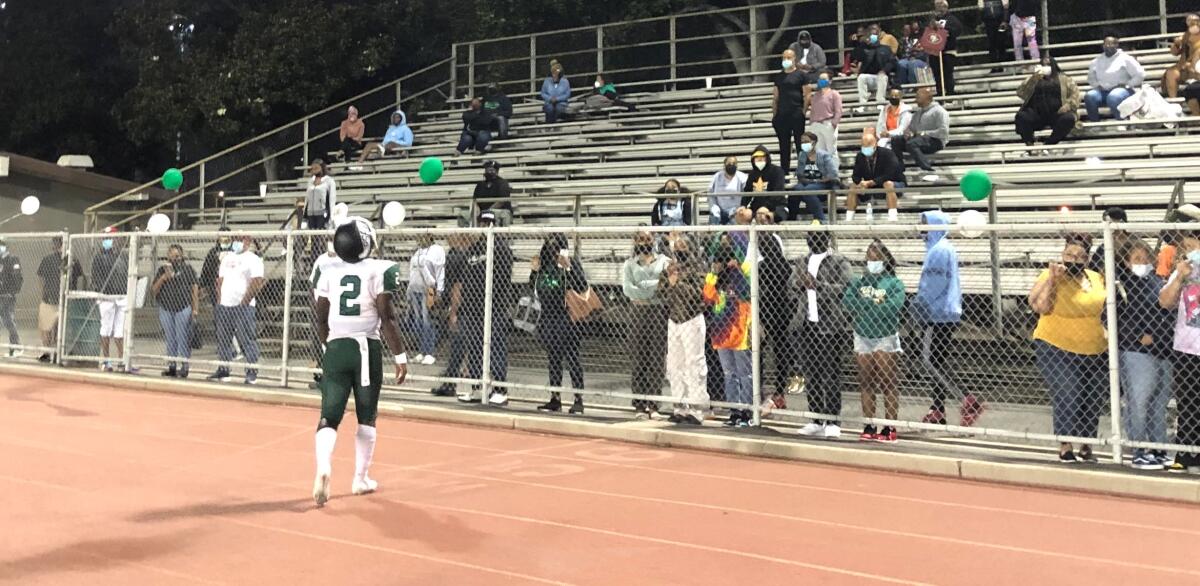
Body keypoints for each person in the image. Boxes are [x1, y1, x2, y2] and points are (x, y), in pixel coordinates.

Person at [311, 217, 408, 507]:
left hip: (336, 345)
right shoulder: (380, 269)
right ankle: (360, 478)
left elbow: (321, 314)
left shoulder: (327, 269)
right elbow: (386, 315)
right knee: (367, 416)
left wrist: (327, 343)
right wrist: (400, 355)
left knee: (329, 416)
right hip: (366, 347)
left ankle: (323, 467)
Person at [1028, 234, 1106, 463]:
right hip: (1057, 346)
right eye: (1070, 255)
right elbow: (1041, 306)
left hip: (1095, 347)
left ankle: (1087, 443)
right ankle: (1066, 444)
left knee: (1092, 397)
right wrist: (1053, 280)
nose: (1074, 260)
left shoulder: (1096, 277)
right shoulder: (1051, 275)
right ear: (1063, 255)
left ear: (1087, 259)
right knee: (1068, 393)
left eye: (1080, 256)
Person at [913, 211, 982, 427]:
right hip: (943, 310)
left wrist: (919, 307)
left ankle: (966, 399)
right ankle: (937, 408)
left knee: (930, 360)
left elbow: (933, 285)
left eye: (925, 225)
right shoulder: (940, 248)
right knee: (938, 360)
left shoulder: (939, 250)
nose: (921, 229)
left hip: (938, 313)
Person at [1116, 240, 1173, 469]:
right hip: (1136, 351)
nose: (1143, 263)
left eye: (1146, 259)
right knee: (1138, 401)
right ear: (1126, 261)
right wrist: (1138, 336)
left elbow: (1167, 310)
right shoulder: (1122, 284)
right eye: (1137, 259)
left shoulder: (1157, 281)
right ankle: (1139, 449)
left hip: (1162, 349)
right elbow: (1113, 316)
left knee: (1159, 402)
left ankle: (1159, 448)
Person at [843, 239, 906, 443]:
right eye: (869, 257)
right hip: (862, 336)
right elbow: (847, 302)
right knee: (866, 381)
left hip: (885, 337)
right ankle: (869, 424)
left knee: (888, 381)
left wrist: (866, 308)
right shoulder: (859, 282)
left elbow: (893, 307)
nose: (872, 260)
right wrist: (871, 307)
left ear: (885, 259)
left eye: (876, 257)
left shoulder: (894, 283)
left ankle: (890, 427)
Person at [453, 211, 515, 405]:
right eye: (482, 222)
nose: (485, 226)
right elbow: (464, 278)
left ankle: (499, 389)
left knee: (496, 347)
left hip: (493, 308)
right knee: (475, 349)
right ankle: (478, 387)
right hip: (472, 308)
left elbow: (503, 279)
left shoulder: (501, 248)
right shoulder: (473, 248)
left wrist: (491, 300)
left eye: (488, 223)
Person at [794, 228, 850, 438]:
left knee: (831, 374)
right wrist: (799, 283)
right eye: (810, 235)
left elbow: (846, 287)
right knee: (812, 374)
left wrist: (818, 285)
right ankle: (817, 418)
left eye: (817, 235)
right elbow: (790, 286)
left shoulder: (838, 261)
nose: (813, 239)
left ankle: (833, 420)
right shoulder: (802, 261)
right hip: (807, 324)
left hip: (830, 325)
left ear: (826, 239)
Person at [1158, 228, 1200, 472]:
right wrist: (1180, 277)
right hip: (1187, 346)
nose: (1188, 248)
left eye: (1191, 242)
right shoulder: (1184, 268)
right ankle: (1186, 453)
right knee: (1189, 401)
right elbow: (1165, 301)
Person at [532, 233, 588, 414]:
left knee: (572, 358)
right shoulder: (544, 265)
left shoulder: (570, 263)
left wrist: (569, 268)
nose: (553, 250)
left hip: (566, 316)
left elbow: (582, 285)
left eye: (556, 246)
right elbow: (533, 286)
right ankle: (555, 398)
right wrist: (534, 270)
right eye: (550, 246)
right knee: (553, 358)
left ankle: (578, 398)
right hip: (548, 315)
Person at [703, 235, 752, 427]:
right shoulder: (716, 279)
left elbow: (747, 290)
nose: (722, 263)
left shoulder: (742, 271)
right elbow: (707, 296)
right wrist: (714, 273)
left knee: (745, 374)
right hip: (721, 335)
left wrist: (736, 267)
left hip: (740, 333)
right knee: (729, 373)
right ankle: (735, 411)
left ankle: (748, 411)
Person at [659, 233, 708, 424]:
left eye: (683, 246)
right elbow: (661, 291)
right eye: (676, 246)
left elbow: (698, 295)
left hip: (691, 318)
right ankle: (679, 407)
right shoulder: (672, 267)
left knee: (694, 364)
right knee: (674, 365)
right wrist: (670, 281)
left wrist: (677, 283)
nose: (679, 250)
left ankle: (697, 410)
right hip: (674, 320)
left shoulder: (699, 268)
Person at [623, 232, 669, 418]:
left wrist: (642, 286)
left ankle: (654, 403)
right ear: (635, 242)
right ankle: (640, 403)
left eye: (648, 239)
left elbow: (665, 285)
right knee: (639, 356)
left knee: (657, 357)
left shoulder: (664, 261)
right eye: (640, 239)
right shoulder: (629, 264)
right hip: (637, 313)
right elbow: (627, 289)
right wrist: (652, 289)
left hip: (658, 312)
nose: (644, 242)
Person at [756, 209, 796, 412]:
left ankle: (768, 393)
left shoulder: (763, 267)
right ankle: (778, 392)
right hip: (780, 313)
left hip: (770, 312)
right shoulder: (785, 265)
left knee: (765, 354)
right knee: (780, 354)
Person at [211, 234, 264, 384]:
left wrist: (244, 302)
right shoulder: (227, 258)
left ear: (247, 241)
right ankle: (224, 369)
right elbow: (220, 281)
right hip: (225, 305)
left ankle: (251, 372)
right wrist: (220, 301)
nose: (237, 242)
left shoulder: (253, 259)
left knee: (247, 338)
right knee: (223, 339)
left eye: (241, 239)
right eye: (235, 239)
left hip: (244, 306)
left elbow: (257, 281)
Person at [152, 244, 199, 378]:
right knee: (170, 338)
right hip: (166, 308)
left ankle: (184, 366)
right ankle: (172, 366)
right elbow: (154, 290)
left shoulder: (187, 269)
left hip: (183, 307)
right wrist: (163, 278)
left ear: (182, 255)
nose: (174, 259)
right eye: (171, 256)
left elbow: (194, 289)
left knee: (182, 337)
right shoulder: (162, 270)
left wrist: (195, 309)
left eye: (177, 256)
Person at [431, 234, 470, 397]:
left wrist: (453, 311)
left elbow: (457, 286)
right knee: (458, 347)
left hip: (463, 309)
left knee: (459, 345)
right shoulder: (459, 255)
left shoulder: (459, 257)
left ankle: (451, 382)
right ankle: (451, 379)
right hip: (463, 307)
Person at [1015, 56, 1080, 151]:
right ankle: (1030, 144)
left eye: (1048, 65)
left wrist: (1068, 105)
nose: (1046, 67)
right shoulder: (1033, 79)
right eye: (1043, 65)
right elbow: (1020, 93)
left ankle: (1049, 144)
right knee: (1021, 117)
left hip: (1057, 113)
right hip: (1037, 113)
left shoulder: (1065, 79)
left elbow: (1075, 94)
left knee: (1069, 118)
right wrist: (1033, 79)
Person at [36, 237, 83, 363]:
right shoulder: (49, 259)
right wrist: (43, 292)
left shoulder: (72, 260)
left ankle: (55, 351)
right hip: (51, 298)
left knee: (56, 328)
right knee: (48, 327)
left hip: (61, 298)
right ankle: (49, 351)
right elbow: (40, 277)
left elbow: (78, 278)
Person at [846, 132, 906, 223]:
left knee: (888, 184)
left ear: (875, 145)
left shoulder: (888, 154)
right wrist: (860, 182)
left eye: (868, 147)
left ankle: (893, 216)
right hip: (870, 185)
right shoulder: (860, 156)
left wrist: (872, 182)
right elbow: (855, 175)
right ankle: (849, 218)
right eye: (864, 147)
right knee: (853, 186)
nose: (866, 150)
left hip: (893, 183)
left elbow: (890, 174)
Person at [890, 87, 951, 176]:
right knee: (896, 140)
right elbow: (911, 128)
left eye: (918, 97)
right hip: (918, 140)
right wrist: (908, 133)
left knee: (912, 143)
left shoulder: (940, 112)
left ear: (926, 98)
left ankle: (927, 169)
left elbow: (943, 132)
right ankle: (899, 167)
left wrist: (925, 133)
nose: (915, 100)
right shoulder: (917, 113)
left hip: (935, 141)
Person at [92, 228, 128, 372]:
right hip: (106, 297)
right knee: (106, 328)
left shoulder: (123, 256)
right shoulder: (99, 257)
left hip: (121, 296)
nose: (109, 241)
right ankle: (106, 360)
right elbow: (96, 277)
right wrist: (103, 292)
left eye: (111, 238)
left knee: (120, 331)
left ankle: (122, 360)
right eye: (106, 238)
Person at [1085, 36, 1145, 122]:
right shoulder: (1097, 61)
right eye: (1105, 44)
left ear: (1116, 45)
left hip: (1123, 91)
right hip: (1103, 92)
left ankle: (1122, 122)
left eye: (1110, 44)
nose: (1108, 46)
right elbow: (1091, 78)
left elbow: (1140, 74)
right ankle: (1094, 124)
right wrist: (1097, 86)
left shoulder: (1125, 58)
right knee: (1090, 96)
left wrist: (1128, 84)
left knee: (1113, 97)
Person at [407, 234, 446, 366]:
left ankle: (430, 352)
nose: (419, 240)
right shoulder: (418, 251)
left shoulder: (436, 250)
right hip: (415, 289)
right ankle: (422, 350)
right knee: (419, 322)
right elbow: (412, 271)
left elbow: (440, 270)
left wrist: (439, 290)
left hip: (427, 290)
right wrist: (409, 289)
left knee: (427, 321)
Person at [308, 242, 340, 389]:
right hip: (322, 307)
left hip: (337, 307)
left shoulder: (344, 260)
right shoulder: (321, 260)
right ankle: (321, 375)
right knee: (320, 340)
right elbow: (313, 283)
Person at [790, 132, 838, 223]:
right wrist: (805, 180)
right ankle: (791, 218)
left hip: (823, 184)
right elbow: (799, 174)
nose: (804, 144)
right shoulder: (802, 155)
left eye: (806, 141)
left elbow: (833, 174)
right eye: (802, 142)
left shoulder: (824, 155)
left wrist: (818, 181)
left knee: (808, 190)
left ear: (814, 142)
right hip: (807, 183)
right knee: (795, 190)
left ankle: (821, 219)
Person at [773, 49, 808, 173]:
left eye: (789, 57)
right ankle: (784, 171)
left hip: (796, 113)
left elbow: (807, 94)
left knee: (800, 144)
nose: (786, 60)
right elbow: (775, 97)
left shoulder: (801, 75)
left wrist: (803, 111)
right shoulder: (779, 76)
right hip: (782, 115)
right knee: (784, 145)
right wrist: (774, 114)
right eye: (784, 58)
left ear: (794, 59)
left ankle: (802, 171)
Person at [741, 145, 788, 222]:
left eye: (762, 157)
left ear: (767, 158)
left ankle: (768, 234)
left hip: (777, 206)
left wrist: (766, 206)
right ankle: (744, 234)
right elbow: (747, 192)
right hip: (757, 206)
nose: (759, 160)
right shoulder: (752, 174)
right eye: (757, 158)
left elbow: (778, 192)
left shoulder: (777, 171)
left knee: (763, 215)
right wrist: (743, 206)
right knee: (742, 215)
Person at [927, 0, 965, 96]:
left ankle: (950, 93)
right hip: (935, 50)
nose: (938, 8)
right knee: (937, 74)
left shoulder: (952, 19)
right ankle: (940, 93)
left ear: (945, 7)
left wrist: (943, 28)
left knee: (947, 73)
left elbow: (957, 30)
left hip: (948, 50)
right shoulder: (932, 20)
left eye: (940, 6)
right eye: (936, 6)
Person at [854, 25, 896, 104]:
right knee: (861, 77)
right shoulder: (864, 48)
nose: (873, 36)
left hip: (882, 77)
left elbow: (892, 62)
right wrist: (860, 43)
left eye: (875, 34)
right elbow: (856, 56)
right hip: (869, 78)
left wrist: (884, 70)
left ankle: (880, 102)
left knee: (882, 77)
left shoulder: (886, 48)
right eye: (871, 34)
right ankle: (863, 104)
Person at [786, 30, 827, 107]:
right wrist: (796, 64)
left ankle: (822, 94)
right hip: (797, 72)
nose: (804, 43)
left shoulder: (816, 48)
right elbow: (788, 59)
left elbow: (822, 61)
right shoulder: (793, 47)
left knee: (824, 73)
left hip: (812, 72)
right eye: (802, 41)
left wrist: (812, 66)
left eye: (806, 41)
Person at [1163, 14, 1200, 100]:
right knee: (1171, 73)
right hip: (1184, 69)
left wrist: (1192, 65)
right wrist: (1176, 44)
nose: (1192, 23)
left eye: (1195, 20)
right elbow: (1174, 53)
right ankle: (1174, 102)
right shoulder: (1185, 36)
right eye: (1189, 21)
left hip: (1196, 69)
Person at [1088, 206, 1132, 275]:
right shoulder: (1102, 248)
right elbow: (1093, 269)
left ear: (1121, 222)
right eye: (1105, 222)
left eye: (1110, 223)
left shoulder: (1134, 244)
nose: (1107, 226)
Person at [809, 71, 843, 154]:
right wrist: (812, 123)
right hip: (816, 125)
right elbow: (813, 110)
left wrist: (833, 123)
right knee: (819, 151)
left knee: (831, 150)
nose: (821, 81)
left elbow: (838, 111)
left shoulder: (834, 94)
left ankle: (833, 167)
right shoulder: (816, 95)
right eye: (820, 79)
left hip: (828, 123)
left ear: (830, 81)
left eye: (824, 79)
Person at [471, 159, 513, 226]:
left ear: (496, 171)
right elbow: (475, 200)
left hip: (499, 210)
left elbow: (501, 201)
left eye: (491, 170)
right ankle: (473, 233)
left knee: (489, 214)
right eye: (487, 170)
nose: (489, 172)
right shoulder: (480, 184)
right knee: (468, 213)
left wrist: (488, 211)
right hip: (483, 212)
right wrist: (477, 209)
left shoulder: (502, 183)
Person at [707, 156, 746, 225]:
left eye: (734, 163)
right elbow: (710, 193)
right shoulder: (717, 176)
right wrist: (714, 207)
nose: (731, 165)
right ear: (724, 165)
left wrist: (739, 208)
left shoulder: (742, 177)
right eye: (729, 163)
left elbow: (746, 195)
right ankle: (714, 235)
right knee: (714, 216)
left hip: (735, 211)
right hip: (719, 210)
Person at [0, 239, 22, 356]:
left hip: (8, 295)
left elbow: (18, 278)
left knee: (8, 321)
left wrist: (12, 292)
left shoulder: (12, 259)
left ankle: (15, 347)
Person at [199, 228, 232, 306]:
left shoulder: (235, 251)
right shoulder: (213, 252)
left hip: (231, 284)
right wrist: (203, 285)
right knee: (218, 307)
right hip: (215, 285)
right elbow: (206, 269)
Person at [303, 159, 337, 231]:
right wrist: (305, 214)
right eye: (313, 168)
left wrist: (331, 215)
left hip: (322, 212)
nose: (314, 170)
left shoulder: (329, 181)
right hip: (310, 213)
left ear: (322, 168)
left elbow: (332, 199)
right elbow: (307, 199)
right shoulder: (310, 181)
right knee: (312, 235)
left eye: (316, 168)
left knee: (321, 234)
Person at [980, 0, 1008, 69]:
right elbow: (981, 10)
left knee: (1001, 42)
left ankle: (1002, 65)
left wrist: (1005, 20)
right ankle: (994, 66)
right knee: (991, 43)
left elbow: (1006, 8)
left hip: (1000, 21)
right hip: (989, 22)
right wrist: (982, 21)